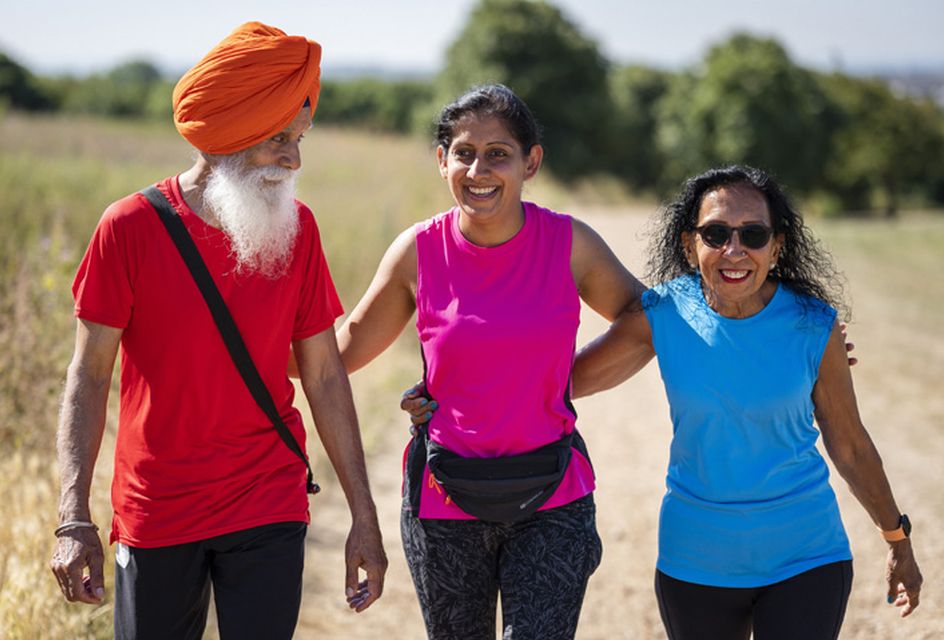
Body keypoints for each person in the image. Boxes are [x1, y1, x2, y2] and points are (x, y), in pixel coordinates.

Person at [49, 22, 386, 640]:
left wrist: (365, 516)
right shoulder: (127, 227)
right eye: (277, 139)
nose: (294, 158)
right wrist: (73, 518)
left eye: (300, 138)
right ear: (224, 138)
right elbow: (89, 375)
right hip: (158, 506)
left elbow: (323, 373)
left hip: (268, 496)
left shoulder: (299, 229)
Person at [331, 84, 647, 639]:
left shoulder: (569, 243)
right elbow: (342, 349)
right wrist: (236, 346)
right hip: (444, 499)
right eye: (464, 152)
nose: (480, 169)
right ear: (441, 161)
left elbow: (649, 319)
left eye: (499, 153)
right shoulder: (417, 252)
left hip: (553, 496)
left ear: (531, 162)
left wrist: (568, 380)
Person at [570, 165, 922, 638]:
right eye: (715, 233)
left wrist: (897, 538)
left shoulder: (814, 325)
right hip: (695, 561)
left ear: (777, 246)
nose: (734, 250)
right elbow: (565, 381)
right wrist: (448, 392)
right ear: (689, 244)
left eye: (753, 234)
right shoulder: (664, 314)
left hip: (807, 556)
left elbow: (851, 445)